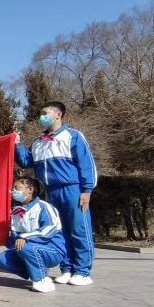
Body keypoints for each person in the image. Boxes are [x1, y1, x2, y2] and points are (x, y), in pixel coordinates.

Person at [15, 101, 97, 286]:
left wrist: (87, 190)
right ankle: (66, 268)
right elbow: (27, 162)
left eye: (45, 113)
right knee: (58, 231)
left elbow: (86, 164)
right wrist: (17, 145)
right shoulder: (38, 142)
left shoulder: (72, 136)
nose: (41, 116)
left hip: (72, 189)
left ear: (58, 114)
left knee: (79, 229)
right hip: (49, 192)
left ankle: (83, 271)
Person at [0, 177, 67, 293]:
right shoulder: (16, 211)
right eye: (13, 188)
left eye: (17, 188)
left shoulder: (44, 207)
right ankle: (39, 272)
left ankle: (41, 279)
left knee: (24, 246)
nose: (13, 191)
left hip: (53, 250)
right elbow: (15, 235)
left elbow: (50, 229)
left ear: (30, 190)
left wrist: (25, 237)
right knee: (2, 259)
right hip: (28, 249)